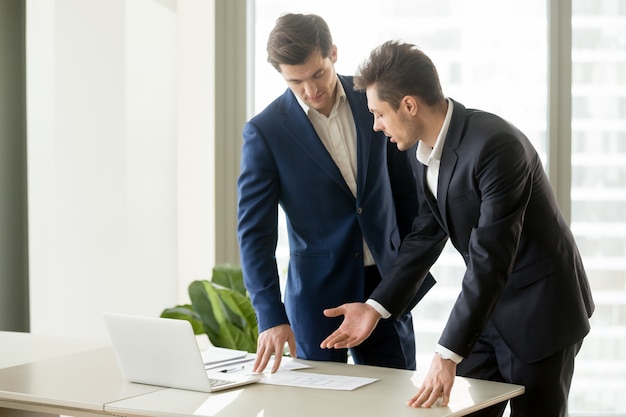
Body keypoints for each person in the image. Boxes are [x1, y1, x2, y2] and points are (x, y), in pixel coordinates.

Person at [320, 40, 595, 416]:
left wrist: (446, 354)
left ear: (409, 105)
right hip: (488, 312)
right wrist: (375, 306)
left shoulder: (496, 147)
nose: (376, 125)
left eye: (379, 114)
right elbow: (425, 236)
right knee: (453, 410)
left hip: (540, 313)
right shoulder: (421, 150)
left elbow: (490, 257)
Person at [237, 16, 434, 374]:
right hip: (317, 300)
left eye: (317, 74)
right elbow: (255, 235)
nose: (311, 90)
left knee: (395, 402)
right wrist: (270, 316)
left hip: (385, 290)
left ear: (333, 54)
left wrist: (405, 276)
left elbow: (408, 194)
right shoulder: (265, 133)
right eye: (295, 82)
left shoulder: (372, 101)